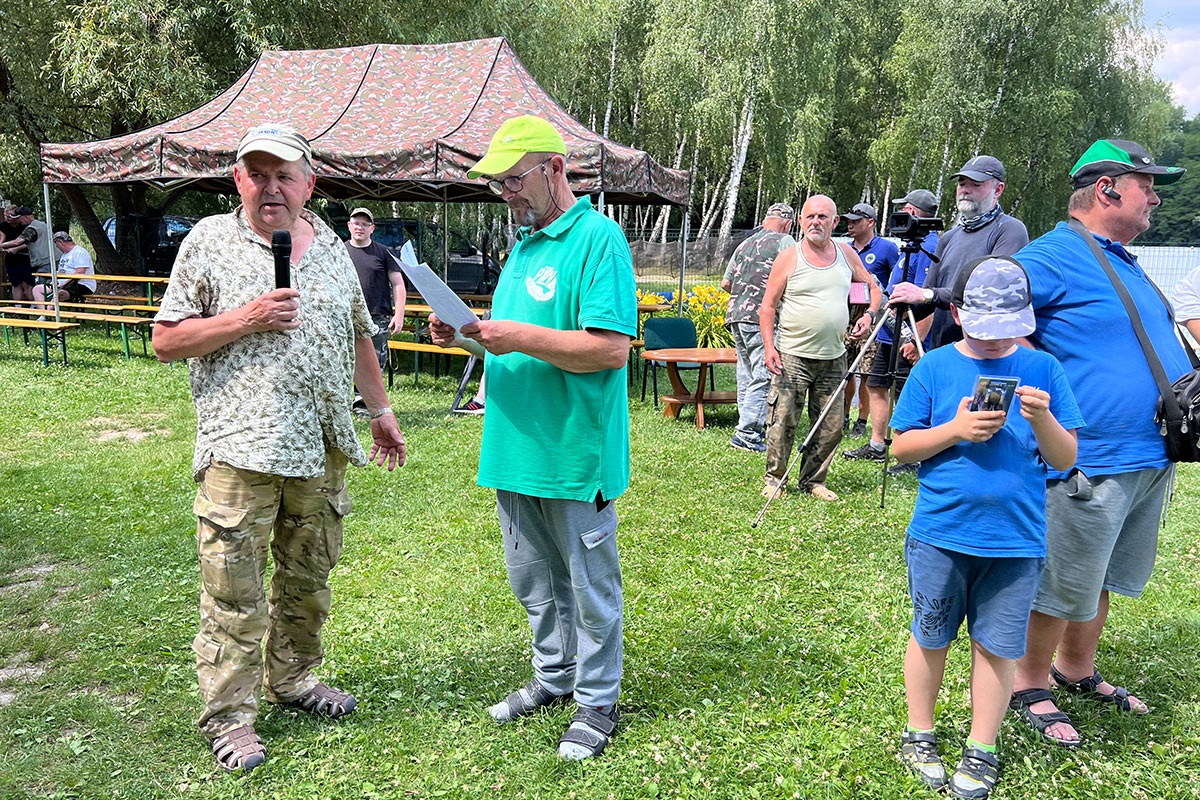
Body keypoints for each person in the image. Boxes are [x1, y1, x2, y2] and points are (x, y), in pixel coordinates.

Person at [152, 123, 407, 773]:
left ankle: (293, 680)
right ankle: (229, 717)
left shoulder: (332, 249)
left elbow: (358, 337)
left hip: (322, 447)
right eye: (257, 175)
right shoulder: (209, 242)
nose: (271, 188)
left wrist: (380, 412)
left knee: (308, 577)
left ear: (308, 183)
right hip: (242, 450)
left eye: (284, 175)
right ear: (238, 180)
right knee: (234, 591)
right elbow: (167, 340)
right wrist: (248, 317)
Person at [428, 115, 636, 760]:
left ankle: (597, 700)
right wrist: (466, 336)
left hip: (574, 451)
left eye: (514, 180)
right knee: (533, 581)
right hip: (513, 447)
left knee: (588, 585)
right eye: (498, 184)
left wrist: (512, 334)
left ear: (555, 169)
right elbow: (516, 342)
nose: (506, 193)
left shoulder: (598, 240)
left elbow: (609, 351)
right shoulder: (522, 247)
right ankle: (555, 675)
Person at [1009, 138, 1189, 747]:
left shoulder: (1123, 260)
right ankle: (1028, 682)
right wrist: (1049, 392)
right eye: (1147, 186)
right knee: (1063, 578)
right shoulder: (1055, 254)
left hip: (1147, 454)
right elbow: (992, 312)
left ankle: (1076, 669)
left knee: (1102, 574)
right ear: (1107, 189)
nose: (1155, 198)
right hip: (1091, 458)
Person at [890, 256, 1081, 800]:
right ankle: (919, 733)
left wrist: (1042, 418)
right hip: (941, 535)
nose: (996, 341)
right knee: (930, 635)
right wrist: (954, 429)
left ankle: (983, 746)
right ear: (957, 313)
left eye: (1008, 329)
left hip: (1016, 542)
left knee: (998, 647)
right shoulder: (934, 367)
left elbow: (1066, 458)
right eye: (983, 329)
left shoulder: (1044, 368)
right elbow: (902, 447)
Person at [759, 195, 881, 502]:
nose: (816, 222)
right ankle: (775, 479)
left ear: (835, 222)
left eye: (823, 217)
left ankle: (813, 480)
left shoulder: (846, 254)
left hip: (834, 357)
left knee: (831, 425)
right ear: (800, 221)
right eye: (810, 216)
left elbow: (872, 287)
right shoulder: (789, 257)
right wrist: (769, 347)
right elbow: (768, 307)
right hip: (792, 356)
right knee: (782, 420)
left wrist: (868, 315)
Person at [888, 156, 1028, 354]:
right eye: (962, 183)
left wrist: (926, 295)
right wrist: (903, 305)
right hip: (943, 351)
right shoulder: (948, 238)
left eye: (975, 184)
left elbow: (991, 291)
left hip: (985, 352)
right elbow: (929, 296)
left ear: (998, 189)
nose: (965, 190)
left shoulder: (1009, 230)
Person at [844, 190, 939, 468]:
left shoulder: (929, 246)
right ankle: (877, 444)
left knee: (906, 392)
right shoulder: (910, 244)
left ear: (915, 212)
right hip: (888, 331)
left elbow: (927, 298)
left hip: (908, 333)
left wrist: (917, 340)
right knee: (876, 383)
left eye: (905, 209)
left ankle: (910, 451)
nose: (901, 214)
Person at [720, 201, 796, 452]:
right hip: (762, 317)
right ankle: (748, 432)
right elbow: (794, 277)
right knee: (764, 372)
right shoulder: (785, 241)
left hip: (736, 314)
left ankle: (746, 423)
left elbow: (726, 283)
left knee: (746, 372)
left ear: (765, 220)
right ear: (788, 224)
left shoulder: (744, 243)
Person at [842, 202, 899, 437]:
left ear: (870, 222)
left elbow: (897, 280)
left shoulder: (886, 249)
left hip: (873, 317)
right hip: (847, 315)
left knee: (867, 371)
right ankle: (844, 415)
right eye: (848, 221)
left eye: (856, 221)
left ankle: (862, 420)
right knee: (845, 369)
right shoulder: (845, 249)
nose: (850, 225)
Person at [344, 206, 407, 415]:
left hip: (377, 316)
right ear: (349, 226)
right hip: (345, 316)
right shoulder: (339, 252)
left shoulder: (383, 252)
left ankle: (367, 405)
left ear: (372, 228)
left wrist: (399, 314)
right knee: (345, 360)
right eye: (356, 223)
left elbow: (398, 284)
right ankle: (343, 404)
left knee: (373, 361)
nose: (359, 227)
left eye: (364, 224)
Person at [0, 205, 53, 304]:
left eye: (19, 218)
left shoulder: (32, 228)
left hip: (44, 261)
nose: (19, 221)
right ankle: (33, 308)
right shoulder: (39, 225)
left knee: (40, 288)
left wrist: (3, 246)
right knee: (34, 286)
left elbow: (18, 242)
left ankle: (42, 309)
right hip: (42, 261)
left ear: (25, 217)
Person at [33, 232, 96, 304]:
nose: (56, 247)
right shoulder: (64, 255)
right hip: (61, 285)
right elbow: (61, 271)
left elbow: (80, 273)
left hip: (80, 285)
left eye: (56, 244)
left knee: (59, 293)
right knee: (37, 289)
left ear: (60, 242)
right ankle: (43, 310)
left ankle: (48, 310)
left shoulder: (80, 252)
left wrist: (63, 285)